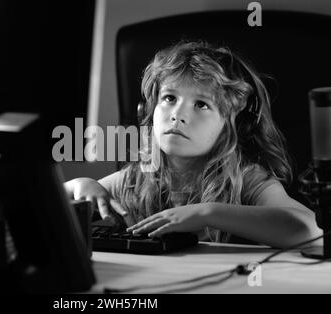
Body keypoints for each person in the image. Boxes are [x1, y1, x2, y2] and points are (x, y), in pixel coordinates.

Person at [64, 40, 322, 249]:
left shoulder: (247, 179)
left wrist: (207, 212)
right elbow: (36, 206)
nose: (178, 115)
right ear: (149, 109)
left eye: (201, 104)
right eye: (169, 98)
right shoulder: (135, 178)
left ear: (235, 123)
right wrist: (80, 185)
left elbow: (310, 229)